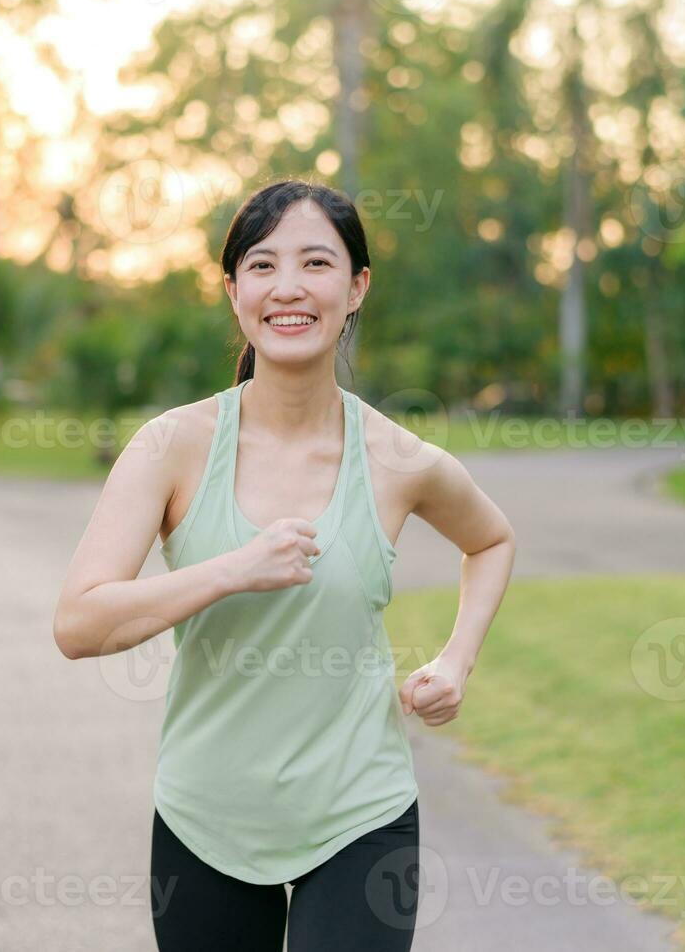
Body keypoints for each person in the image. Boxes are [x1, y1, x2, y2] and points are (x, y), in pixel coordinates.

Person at [53, 178, 517, 951]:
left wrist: (457, 661)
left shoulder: (399, 459)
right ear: (234, 292)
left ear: (357, 286)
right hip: (206, 816)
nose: (289, 289)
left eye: (316, 263)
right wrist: (229, 569)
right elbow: (78, 624)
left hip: (359, 814)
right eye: (262, 267)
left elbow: (492, 539)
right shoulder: (172, 447)